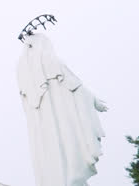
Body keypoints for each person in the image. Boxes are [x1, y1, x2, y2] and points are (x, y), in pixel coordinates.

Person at [17, 32, 107, 186]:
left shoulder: (24, 75)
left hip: (46, 133)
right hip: (62, 125)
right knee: (67, 150)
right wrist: (94, 99)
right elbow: (76, 85)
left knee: (51, 157)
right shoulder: (51, 61)